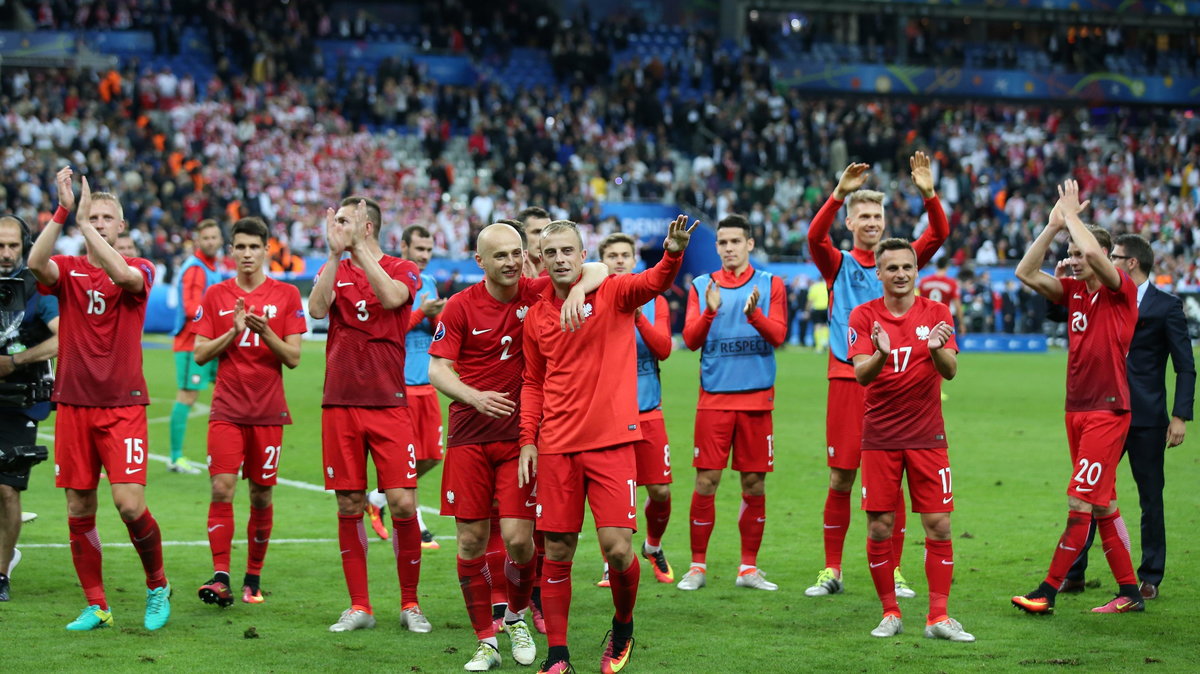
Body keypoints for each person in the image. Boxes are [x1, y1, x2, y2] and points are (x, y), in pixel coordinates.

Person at [519, 216, 695, 674]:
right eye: (550, 252)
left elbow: (655, 280)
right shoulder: (537, 314)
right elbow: (534, 382)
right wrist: (528, 440)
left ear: (582, 256)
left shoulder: (614, 293)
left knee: (617, 549)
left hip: (613, 443)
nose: (559, 259)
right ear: (541, 259)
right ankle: (558, 656)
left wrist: (672, 252)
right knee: (556, 550)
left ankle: (622, 625)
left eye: (567, 251)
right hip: (556, 445)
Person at [429, 223, 605, 672]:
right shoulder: (461, 306)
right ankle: (486, 641)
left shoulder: (537, 291)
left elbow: (599, 267)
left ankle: (517, 615)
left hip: (520, 439)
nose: (509, 262)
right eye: (499, 255)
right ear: (480, 262)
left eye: (515, 253)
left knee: (519, 541)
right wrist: (473, 396)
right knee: (470, 541)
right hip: (469, 435)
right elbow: (438, 370)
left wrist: (581, 288)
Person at [28, 167, 171, 631]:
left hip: (123, 406)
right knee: (78, 508)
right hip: (72, 404)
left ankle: (157, 586)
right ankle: (97, 604)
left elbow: (125, 277)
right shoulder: (68, 271)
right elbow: (35, 265)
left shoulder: (141, 269)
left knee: (129, 505)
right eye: (96, 215)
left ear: (121, 225)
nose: (101, 221)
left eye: (108, 216)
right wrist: (65, 210)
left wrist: (84, 223)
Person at [804, 153, 949, 599]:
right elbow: (813, 236)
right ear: (849, 222)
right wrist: (838, 194)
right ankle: (832, 569)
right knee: (841, 477)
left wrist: (927, 191)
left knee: (892, 479)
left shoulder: (900, 260)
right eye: (863, 215)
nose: (871, 222)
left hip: (900, 386)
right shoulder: (838, 264)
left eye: (877, 215)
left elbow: (940, 233)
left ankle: (897, 570)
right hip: (848, 380)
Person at [1012, 180, 1144, 614]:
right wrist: (1052, 227)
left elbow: (1092, 253)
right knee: (1103, 504)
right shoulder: (1072, 295)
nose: (1071, 261)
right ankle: (1130, 593)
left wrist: (1072, 216)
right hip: (1076, 411)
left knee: (1079, 500)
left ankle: (1046, 591)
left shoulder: (1119, 291)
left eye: (1076, 254)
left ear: (1103, 259)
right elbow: (1026, 273)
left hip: (1108, 411)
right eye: (1067, 255)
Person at [308, 197, 430, 633]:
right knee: (348, 503)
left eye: (344, 221)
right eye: (336, 222)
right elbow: (317, 310)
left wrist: (357, 251)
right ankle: (359, 606)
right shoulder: (335, 267)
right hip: (339, 402)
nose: (336, 227)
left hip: (388, 403)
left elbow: (394, 297)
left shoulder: (402, 268)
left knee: (401, 502)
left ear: (368, 225)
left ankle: (410, 604)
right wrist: (333, 254)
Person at [848, 238, 974, 642]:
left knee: (938, 525)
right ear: (879, 273)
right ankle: (890, 612)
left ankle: (938, 616)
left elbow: (951, 370)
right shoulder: (863, 316)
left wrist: (937, 350)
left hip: (927, 436)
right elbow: (862, 375)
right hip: (880, 437)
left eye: (907, 267)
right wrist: (882, 354)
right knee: (881, 526)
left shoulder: (936, 312)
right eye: (892, 268)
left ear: (915, 271)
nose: (900, 274)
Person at [1064, 233, 1195, 600]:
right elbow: (1056, 309)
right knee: (1088, 492)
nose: (1109, 259)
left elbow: (1185, 366)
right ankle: (1074, 572)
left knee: (1150, 496)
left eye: (1115, 256)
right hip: (1103, 411)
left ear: (1131, 262)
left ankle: (1150, 576)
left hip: (1146, 417)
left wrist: (1180, 415)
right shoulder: (1099, 293)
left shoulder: (1166, 305)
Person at [192, 217, 305, 606]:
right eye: (239, 247)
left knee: (260, 495)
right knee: (222, 486)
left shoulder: (287, 294)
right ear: (231, 251)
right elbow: (200, 353)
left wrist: (265, 331)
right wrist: (233, 332)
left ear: (266, 250)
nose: (246, 254)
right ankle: (221, 575)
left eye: (253, 247)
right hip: (227, 409)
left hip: (268, 413)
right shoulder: (216, 295)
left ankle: (252, 577)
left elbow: (293, 357)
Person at [677, 215, 787, 592]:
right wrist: (710, 310)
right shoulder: (701, 285)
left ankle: (748, 568)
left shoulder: (771, 284)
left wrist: (754, 314)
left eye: (735, 241)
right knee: (706, 481)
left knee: (754, 484)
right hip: (714, 400)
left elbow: (779, 335)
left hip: (757, 400)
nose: (728, 248)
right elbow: (690, 341)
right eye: (722, 242)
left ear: (750, 244)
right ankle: (697, 567)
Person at [596, 233, 676, 587]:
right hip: (607, 416)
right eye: (611, 255)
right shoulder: (593, 300)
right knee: (610, 493)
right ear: (600, 260)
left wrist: (639, 316)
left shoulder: (654, 301)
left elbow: (663, 349)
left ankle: (652, 546)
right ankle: (609, 561)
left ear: (634, 260)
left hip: (647, 411)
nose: (618, 260)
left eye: (624, 255)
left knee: (659, 491)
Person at [368, 225, 446, 549]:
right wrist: (421, 314)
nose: (424, 256)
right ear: (403, 246)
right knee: (408, 459)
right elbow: (388, 330)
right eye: (419, 249)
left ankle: (377, 497)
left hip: (427, 384)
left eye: (429, 250)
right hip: (399, 386)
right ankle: (418, 525)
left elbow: (437, 332)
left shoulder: (428, 282)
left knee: (433, 456)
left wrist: (437, 318)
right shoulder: (389, 279)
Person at [0, 214, 59, 602]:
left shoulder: (39, 288)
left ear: (25, 245)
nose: (6, 254)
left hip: (19, 402)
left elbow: (67, 337)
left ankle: (1, 573)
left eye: (12, 246)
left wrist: (16, 362)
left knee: (6, 490)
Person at [168, 219, 224, 475]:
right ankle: (176, 457)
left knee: (229, 390)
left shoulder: (212, 268)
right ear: (198, 241)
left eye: (214, 237)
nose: (211, 242)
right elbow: (191, 308)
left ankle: (228, 453)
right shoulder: (196, 269)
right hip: (192, 343)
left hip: (210, 341)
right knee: (187, 396)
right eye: (206, 238)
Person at [917, 256, 963, 332]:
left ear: (936, 266)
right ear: (947, 266)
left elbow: (919, 301)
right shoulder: (951, 283)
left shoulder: (924, 282)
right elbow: (957, 304)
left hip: (927, 320)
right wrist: (961, 323)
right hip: (945, 321)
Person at [519, 207, 552, 275]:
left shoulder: (558, 273)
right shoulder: (511, 273)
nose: (544, 238)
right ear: (521, 235)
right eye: (537, 232)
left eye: (548, 232)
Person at [806, 277, 829, 352]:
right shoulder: (828, 285)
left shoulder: (814, 287)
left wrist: (807, 310)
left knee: (817, 326)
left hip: (817, 308)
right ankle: (825, 340)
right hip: (826, 308)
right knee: (825, 325)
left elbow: (810, 300)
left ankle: (819, 346)